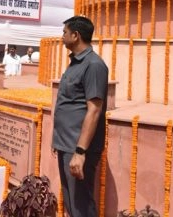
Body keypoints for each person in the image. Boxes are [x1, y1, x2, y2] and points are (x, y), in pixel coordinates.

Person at [52, 16, 109, 217]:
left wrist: (80, 151)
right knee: (71, 204)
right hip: (66, 144)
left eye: (65, 33)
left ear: (75, 35)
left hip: (78, 147)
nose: (62, 37)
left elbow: (94, 110)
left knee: (81, 206)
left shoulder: (94, 65)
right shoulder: (75, 63)